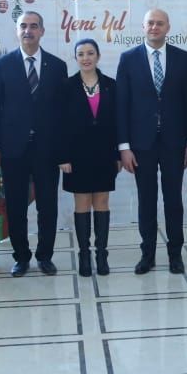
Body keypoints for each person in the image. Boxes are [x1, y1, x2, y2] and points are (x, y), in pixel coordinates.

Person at [0, 11, 68, 277]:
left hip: (47, 149)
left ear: (42, 31)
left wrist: (63, 150)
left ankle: (45, 256)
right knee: (16, 206)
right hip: (13, 149)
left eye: (33, 26)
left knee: (48, 206)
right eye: (23, 26)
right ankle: (21, 257)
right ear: (17, 31)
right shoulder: (3, 64)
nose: (28, 31)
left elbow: (62, 112)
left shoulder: (57, 66)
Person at [116, 8, 187, 275]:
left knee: (174, 201)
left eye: (159, 23)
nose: (154, 27)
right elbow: (122, 105)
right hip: (141, 145)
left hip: (174, 143)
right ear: (143, 26)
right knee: (146, 201)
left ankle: (175, 255)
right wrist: (124, 147)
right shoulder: (128, 59)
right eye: (150, 23)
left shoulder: (182, 58)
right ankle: (147, 255)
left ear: (168, 27)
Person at [58, 39, 118, 277]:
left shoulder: (111, 85)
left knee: (102, 201)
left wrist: (117, 155)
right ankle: (84, 255)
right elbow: (59, 125)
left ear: (98, 56)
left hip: (105, 154)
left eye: (90, 53)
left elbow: (117, 123)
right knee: (82, 203)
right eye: (81, 54)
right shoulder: (66, 86)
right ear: (76, 58)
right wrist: (62, 156)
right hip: (76, 156)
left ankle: (102, 255)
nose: (86, 58)